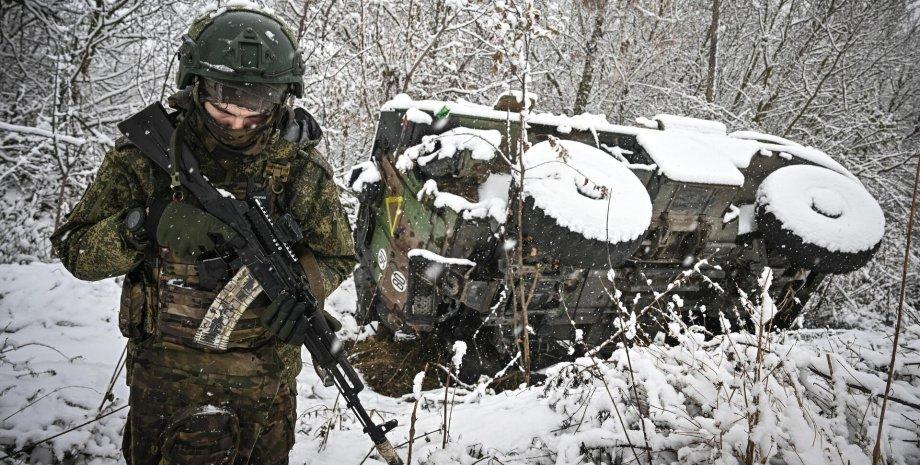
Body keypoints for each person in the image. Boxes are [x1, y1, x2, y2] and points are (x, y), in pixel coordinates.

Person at [51, 5, 355, 464]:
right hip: (168, 382)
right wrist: (145, 224)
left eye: (254, 111)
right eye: (222, 106)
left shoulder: (299, 170)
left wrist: (301, 295)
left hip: (267, 384)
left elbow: (338, 255)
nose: (236, 122)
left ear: (281, 98)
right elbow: (76, 251)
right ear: (193, 85)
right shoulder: (146, 157)